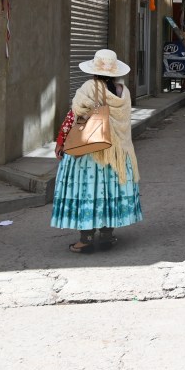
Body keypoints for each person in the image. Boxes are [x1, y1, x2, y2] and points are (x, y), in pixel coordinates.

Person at [52, 49, 143, 253]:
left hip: (91, 152)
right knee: (109, 193)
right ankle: (106, 236)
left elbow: (74, 116)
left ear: (94, 69)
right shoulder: (123, 92)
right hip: (117, 154)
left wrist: (61, 141)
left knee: (88, 193)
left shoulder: (90, 87)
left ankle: (85, 239)